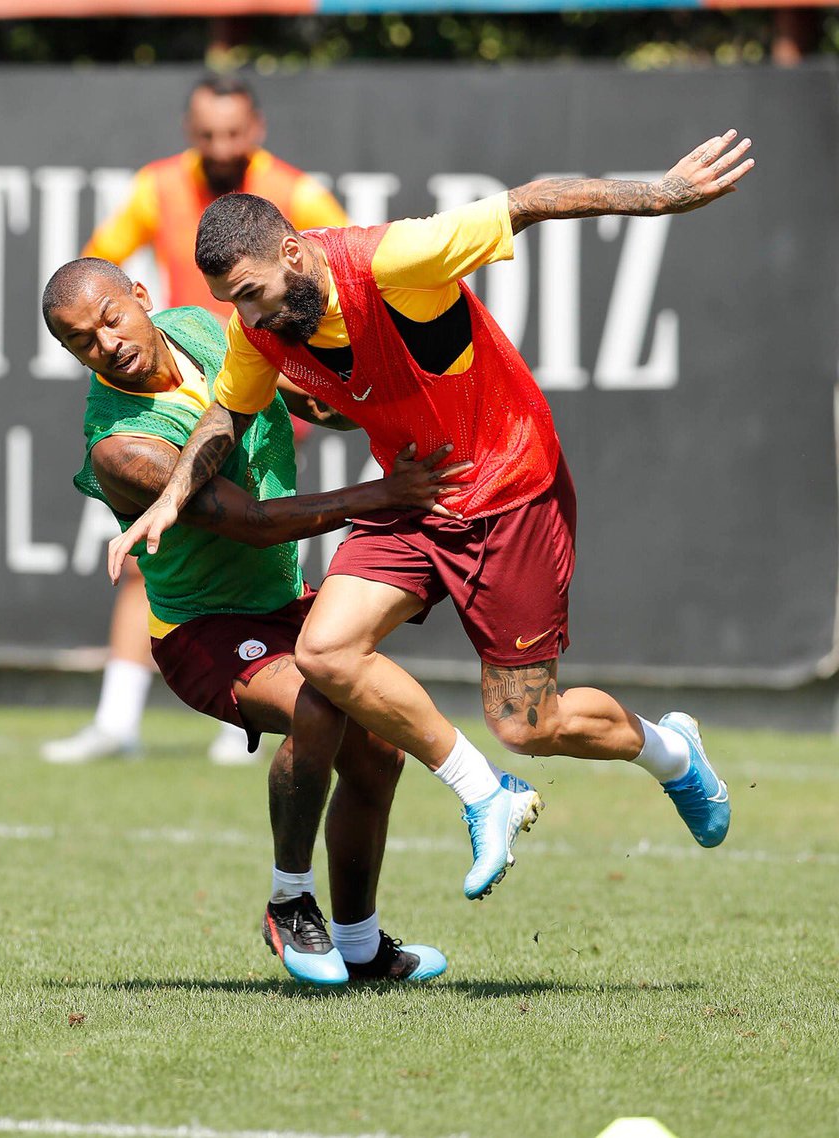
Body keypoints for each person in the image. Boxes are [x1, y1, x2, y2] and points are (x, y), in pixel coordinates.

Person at [109, 130, 754, 901]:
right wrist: (173, 497)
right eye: (231, 303)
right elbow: (223, 418)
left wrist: (663, 195)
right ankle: (487, 794)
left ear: (291, 253)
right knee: (326, 652)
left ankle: (671, 754)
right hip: (415, 494)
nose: (245, 316)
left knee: (529, 723)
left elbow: (529, 201)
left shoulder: (394, 259)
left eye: (250, 292)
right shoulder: (259, 332)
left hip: (513, 490)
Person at [43, 256, 468, 984]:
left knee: (378, 755)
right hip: (202, 630)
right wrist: (386, 494)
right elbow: (258, 524)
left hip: (282, 602)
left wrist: (347, 407)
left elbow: (276, 389)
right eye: (83, 341)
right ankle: (290, 901)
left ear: (141, 296)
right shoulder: (122, 446)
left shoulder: (198, 329)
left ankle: (362, 946)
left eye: (111, 318)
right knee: (318, 705)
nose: (106, 343)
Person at [43, 75, 349, 767]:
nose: (219, 146)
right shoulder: (158, 186)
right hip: (172, 382)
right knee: (157, 550)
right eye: (206, 134)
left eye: (232, 132)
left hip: (250, 378)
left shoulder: (294, 192)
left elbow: (334, 257)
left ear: (257, 129)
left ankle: (248, 693)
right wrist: (129, 323)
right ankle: (122, 719)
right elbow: (100, 256)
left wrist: (307, 376)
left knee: (251, 534)